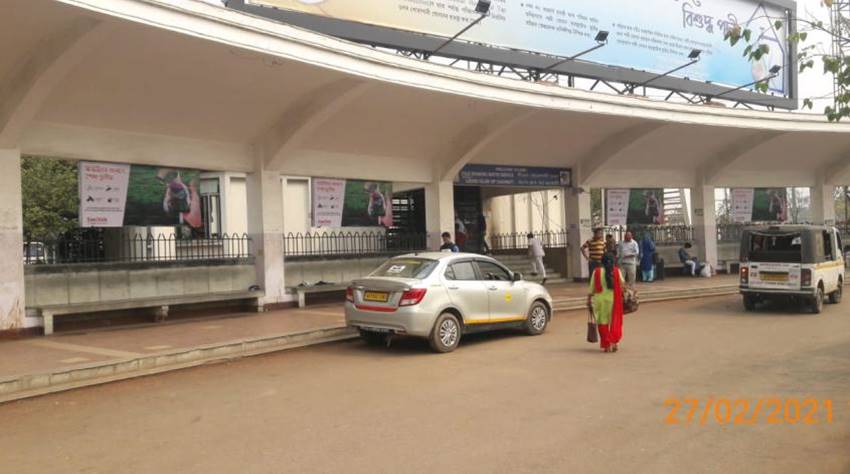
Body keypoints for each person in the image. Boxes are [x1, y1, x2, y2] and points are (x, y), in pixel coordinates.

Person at [587, 254, 625, 353]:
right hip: (614, 300)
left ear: (602, 262)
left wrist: (588, 299)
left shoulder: (597, 272)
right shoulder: (616, 271)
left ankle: (607, 345)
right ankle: (614, 343)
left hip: (600, 301)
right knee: (614, 322)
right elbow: (622, 284)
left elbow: (592, 288)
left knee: (602, 323)